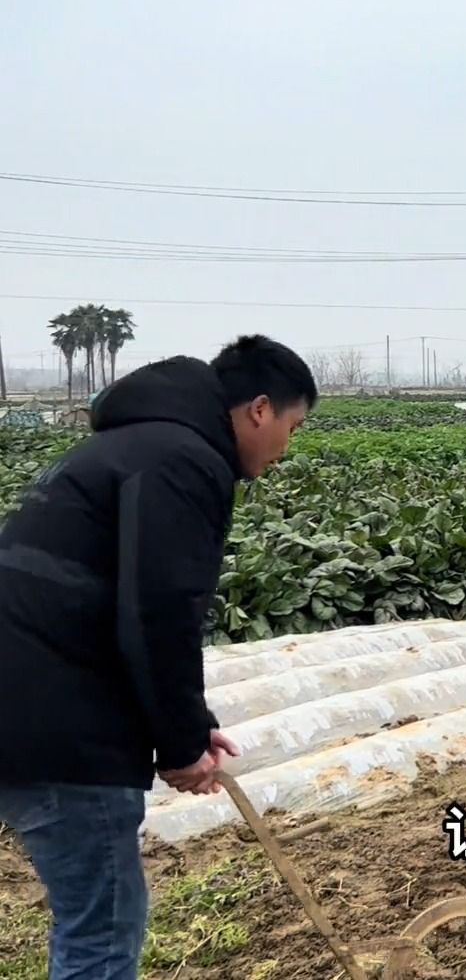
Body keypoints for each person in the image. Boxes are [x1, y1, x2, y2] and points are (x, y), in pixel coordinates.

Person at [0, 334, 318, 979]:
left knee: (93, 918)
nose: (288, 448)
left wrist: (188, 723)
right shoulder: (183, 459)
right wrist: (176, 746)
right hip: (59, 724)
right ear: (260, 409)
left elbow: (125, 600)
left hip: (29, 702)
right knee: (103, 929)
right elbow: (158, 612)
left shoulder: (131, 445)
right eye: (294, 425)